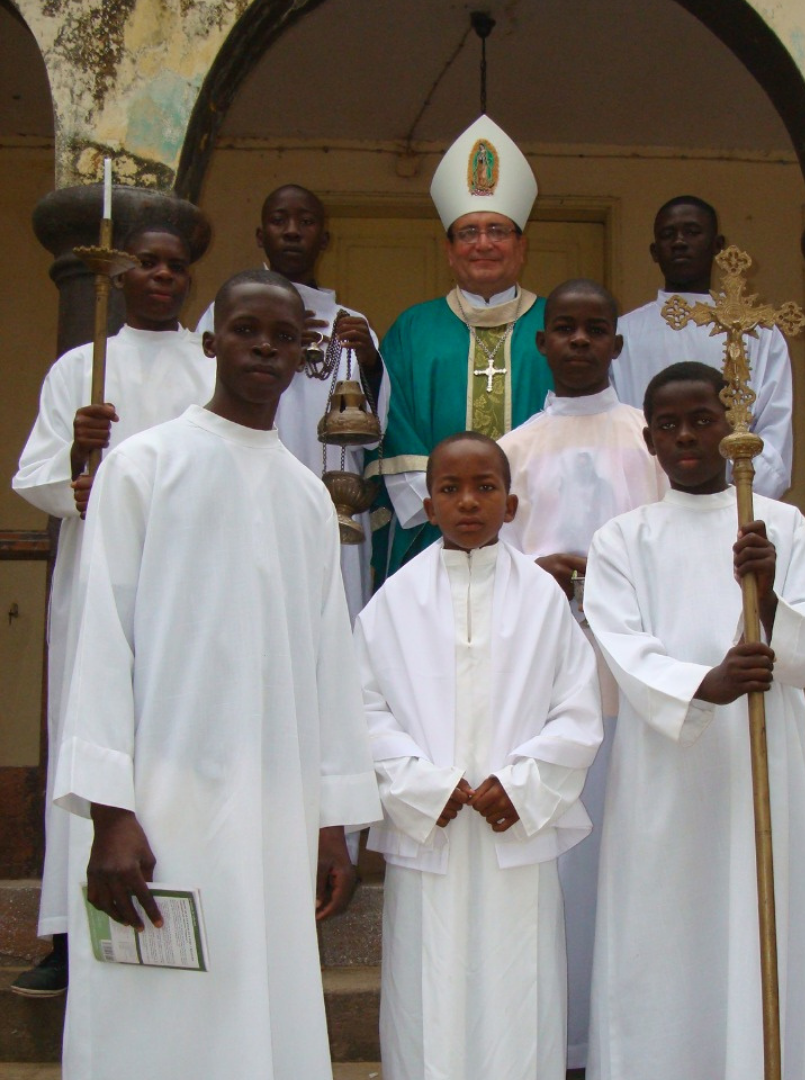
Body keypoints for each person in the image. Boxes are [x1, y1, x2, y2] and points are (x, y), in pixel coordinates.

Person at [53, 269, 382, 1080]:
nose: (265, 349)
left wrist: (331, 825)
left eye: (285, 338)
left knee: (257, 1002)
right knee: (153, 1011)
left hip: (273, 803)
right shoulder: (143, 466)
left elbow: (328, 666)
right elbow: (102, 642)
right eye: (246, 331)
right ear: (211, 341)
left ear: (306, 356)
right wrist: (110, 813)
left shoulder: (307, 498)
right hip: (158, 800)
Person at [585, 361, 805, 1080]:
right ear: (649, 440)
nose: (686, 437)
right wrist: (706, 684)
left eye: (702, 420)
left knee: (760, 913)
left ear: (734, 430)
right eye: (668, 425)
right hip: (666, 765)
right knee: (662, 925)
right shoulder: (622, 539)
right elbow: (620, 643)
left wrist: (768, 595)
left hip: (760, 752)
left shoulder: (780, 526)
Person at [354, 431, 603, 1080]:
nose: (468, 501)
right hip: (429, 830)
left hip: (513, 828)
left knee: (519, 993)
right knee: (425, 996)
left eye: (485, 487)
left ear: (510, 504)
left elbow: (576, 712)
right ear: (428, 506)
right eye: (450, 489)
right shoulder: (392, 603)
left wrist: (522, 785)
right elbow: (362, 709)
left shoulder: (544, 600)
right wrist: (419, 787)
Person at [11, 220, 216, 998]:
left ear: (191, 277)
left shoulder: (209, 365)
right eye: (147, 263)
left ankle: (184, 905)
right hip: (98, 575)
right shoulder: (80, 367)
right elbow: (36, 477)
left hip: (186, 580)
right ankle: (70, 931)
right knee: (90, 733)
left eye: (176, 265)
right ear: (120, 274)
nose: (162, 275)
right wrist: (77, 453)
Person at [497, 278, 665, 1069]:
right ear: (542, 342)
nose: (579, 342)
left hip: (636, 691)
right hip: (546, 689)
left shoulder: (650, 442)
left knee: (631, 863)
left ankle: (626, 1040)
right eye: (564, 328)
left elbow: (673, 546)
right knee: (559, 870)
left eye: (595, 329)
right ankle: (558, 1039)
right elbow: (490, 562)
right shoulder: (513, 450)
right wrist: (537, 575)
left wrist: (614, 580)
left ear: (616, 345)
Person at [370, 114, 553, 584]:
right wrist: (451, 512)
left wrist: (521, 515)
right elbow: (395, 428)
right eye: (469, 232)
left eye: (498, 230)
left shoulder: (558, 326)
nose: (483, 244)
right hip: (435, 539)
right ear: (449, 250)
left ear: (522, 246)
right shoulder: (413, 330)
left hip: (537, 535)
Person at [197, 184, 381, 617]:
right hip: (242, 488)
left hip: (332, 499)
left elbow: (375, 434)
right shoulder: (226, 313)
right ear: (261, 236)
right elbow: (202, 400)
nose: (293, 231)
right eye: (279, 221)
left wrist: (371, 365)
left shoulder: (351, 326)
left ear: (325, 238)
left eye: (306, 221)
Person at [612, 195, 793, 499]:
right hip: (646, 499)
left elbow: (774, 430)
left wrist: (737, 497)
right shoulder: (623, 334)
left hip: (734, 501)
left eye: (692, 232)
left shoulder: (756, 330)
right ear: (654, 251)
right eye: (668, 234)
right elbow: (616, 427)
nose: (679, 242)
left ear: (717, 245)